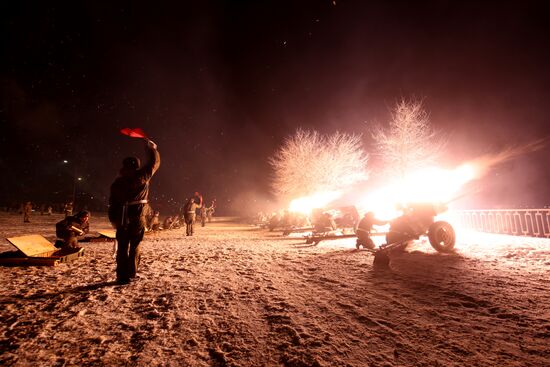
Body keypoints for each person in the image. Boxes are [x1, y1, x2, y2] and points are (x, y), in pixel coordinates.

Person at [108, 138, 160, 284]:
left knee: (123, 246)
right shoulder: (141, 176)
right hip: (137, 216)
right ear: (136, 166)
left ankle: (121, 275)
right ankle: (131, 272)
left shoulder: (117, 182)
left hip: (122, 218)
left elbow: (112, 203)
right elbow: (153, 164)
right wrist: (152, 149)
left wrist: (114, 220)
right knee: (135, 245)